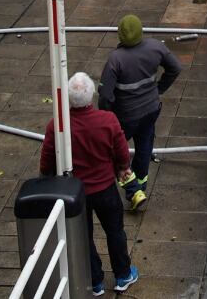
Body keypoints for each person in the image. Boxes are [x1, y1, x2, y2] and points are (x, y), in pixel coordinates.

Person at [41, 72, 138, 295]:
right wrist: (123, 167)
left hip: (75, 193)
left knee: (83, 237)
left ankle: (95, 281)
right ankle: (123, 274)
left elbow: (47, 158)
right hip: (105, 188)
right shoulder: (108, 120)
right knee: (115, 232)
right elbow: (121, 150)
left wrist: (46, 178)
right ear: (92, 95)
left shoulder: (57, 126)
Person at [98, 15, 182, 211]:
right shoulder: (156, 47)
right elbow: (175, 68)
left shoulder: (115, 59)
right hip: (151, 110)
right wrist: (159, 89)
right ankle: (141, 186)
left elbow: (105, 96)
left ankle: (132, 189)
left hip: (125, 116)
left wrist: (106, 117)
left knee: (113, 152)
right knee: (144, 148)